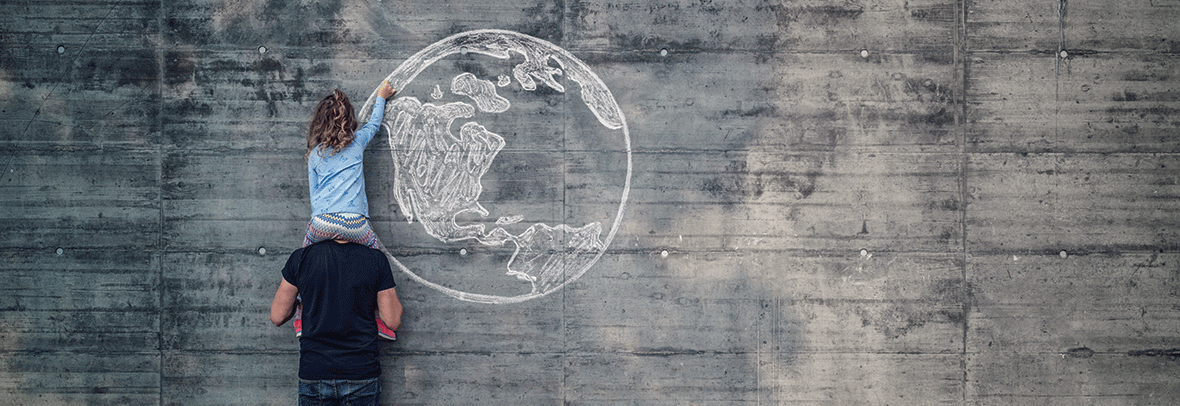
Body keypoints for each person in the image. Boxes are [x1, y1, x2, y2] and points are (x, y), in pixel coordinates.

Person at [295, 81, 398, 340]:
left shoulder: (315, 155)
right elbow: (374, 125)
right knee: (377, 262)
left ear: (319, 122)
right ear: (349, 120)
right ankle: (378, 318)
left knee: (303, 263)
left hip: (322, 223)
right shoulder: (357, 142)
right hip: (355, 224)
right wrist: (381, 97)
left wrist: (321, 220)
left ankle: (300, 316)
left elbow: (314, 194)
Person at [271, 240, 403, 406]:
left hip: (315, 370)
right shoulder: (375, 259)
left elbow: (277, 317)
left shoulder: (301, 258)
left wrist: (301, 302)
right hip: (361, 372)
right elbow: (393, 320)